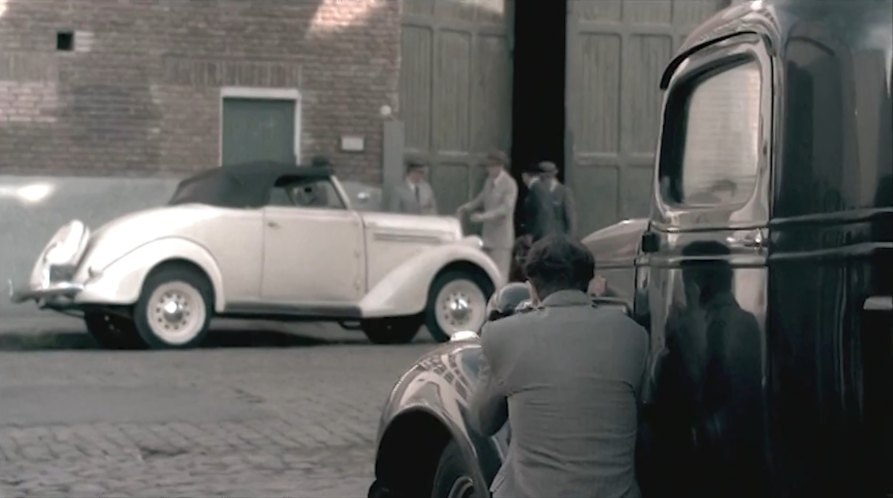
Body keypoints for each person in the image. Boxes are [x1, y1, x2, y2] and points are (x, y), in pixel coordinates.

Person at [470, 235, 649, 498]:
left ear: (531, 287)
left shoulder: (501, 335)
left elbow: (482, 422)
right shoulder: (634, 335)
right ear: (589, 282)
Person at [457, 150, 518, 281]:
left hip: (501, 239)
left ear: (499, 166)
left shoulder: (509, 184)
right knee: (487, 273)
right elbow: (481, 198)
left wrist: (483, 217)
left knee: (500, 274)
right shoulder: (488, 181)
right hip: (488, 237)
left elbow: (505, 210)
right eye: (487, 166)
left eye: (491, 166)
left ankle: (502, 300)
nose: (488, 169)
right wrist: (467, 207)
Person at [520, 163, 558, 243]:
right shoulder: (539, 187)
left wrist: (532, 234)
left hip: (540, 236)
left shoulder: (536, 189)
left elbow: (541, 212)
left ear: (525, 175)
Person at [539, 161, 577, 239]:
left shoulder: (564, 192)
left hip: (558, 238)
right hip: (541, 239)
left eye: (547, 175)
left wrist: (570, 238)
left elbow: (570, 217)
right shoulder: (538, 192)